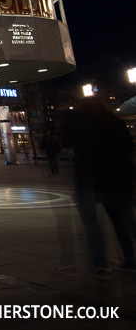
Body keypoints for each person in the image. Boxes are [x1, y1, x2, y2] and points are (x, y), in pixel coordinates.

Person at [58, 97, 136, 279]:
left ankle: (101, 266)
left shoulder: (83, 125)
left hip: (89, 178)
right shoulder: (117, 124)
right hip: (117, 179)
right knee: (122, 221)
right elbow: (127, 152)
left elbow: (66, 140)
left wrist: (69, 115)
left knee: (92, 225)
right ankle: (130, 259)